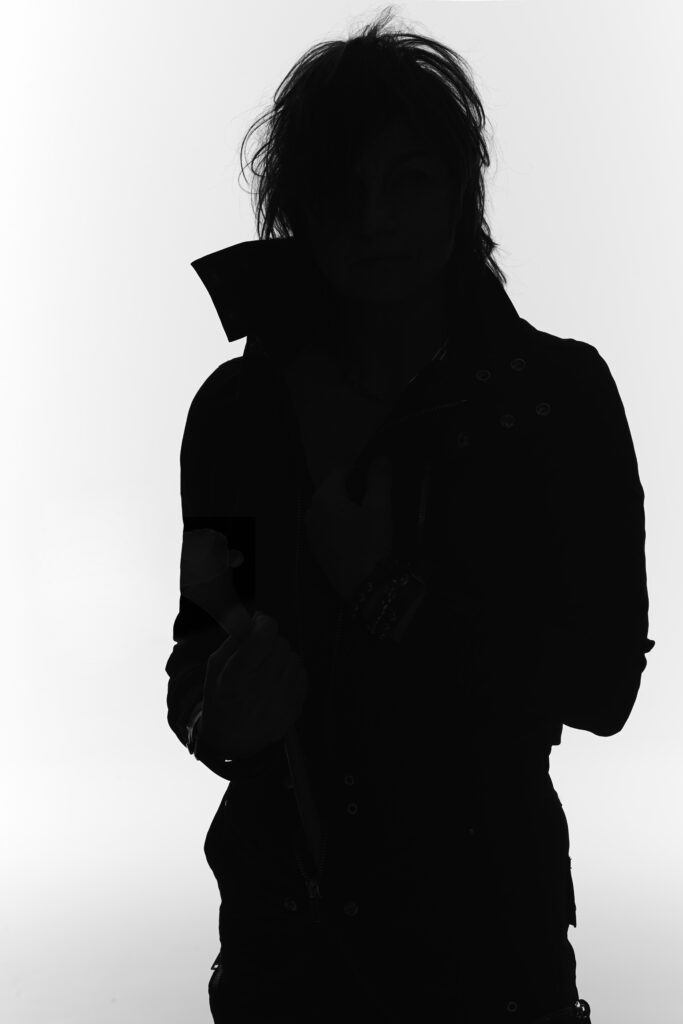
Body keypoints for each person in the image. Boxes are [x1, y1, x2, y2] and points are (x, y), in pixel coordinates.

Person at [166, 7, 654, 1022]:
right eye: (342, 190)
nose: (374, 218)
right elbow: (198, 662)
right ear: (299, 207)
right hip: (283, 950)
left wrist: (387, 592)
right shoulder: (237, 413)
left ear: (460, 192)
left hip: (487, 947)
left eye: (408, 181)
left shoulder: (552, 398)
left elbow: (602, 682)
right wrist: (223, 717)